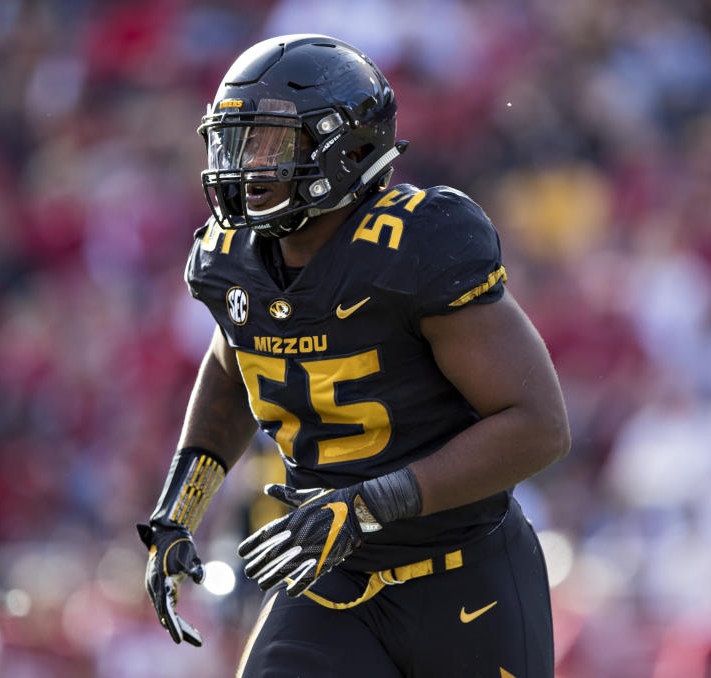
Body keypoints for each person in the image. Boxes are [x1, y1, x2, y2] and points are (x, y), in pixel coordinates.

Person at [137, 34, 570, 677]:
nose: (246, 165)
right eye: (237, 141)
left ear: (347, 148)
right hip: (329, 579)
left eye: (269, 143)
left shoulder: (416, 245)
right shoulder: (231, 259)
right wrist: (178, 511)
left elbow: (539, 427)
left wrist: (367, 503)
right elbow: (234, 368)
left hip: (465, 576)